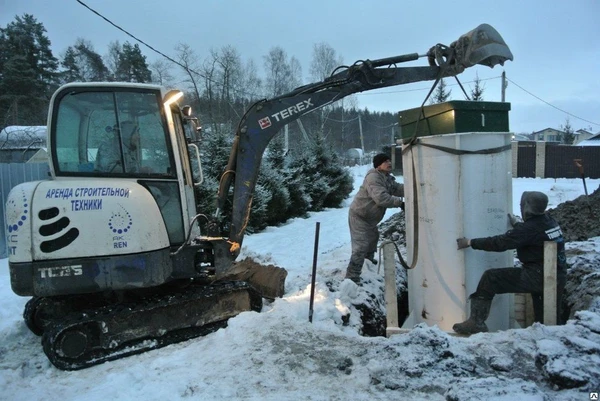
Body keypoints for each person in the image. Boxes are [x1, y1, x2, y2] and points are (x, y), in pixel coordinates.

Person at [453, 191, 567, 334]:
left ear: (526, 206)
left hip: (538, 276)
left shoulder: (528, 230)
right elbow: (532, 231)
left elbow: (500, 243)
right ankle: (553, 339)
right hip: (557, 274)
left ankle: (476, 322)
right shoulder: (549, 220)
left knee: (491, 278)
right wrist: (518, 225)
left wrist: (470, 242)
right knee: (546, 319)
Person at [345, 153, 404, 284]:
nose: (389, 163)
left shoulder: (386, 178)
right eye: (385, 161)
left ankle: (368, 263)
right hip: (360, 216)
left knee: (372, 241)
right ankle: (352, 277)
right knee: (360, 246)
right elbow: (381, 198)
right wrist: (400, 203)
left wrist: (413, 188)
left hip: (370, 218)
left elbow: (397, 188)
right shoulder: (373, 178)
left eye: (389, 160)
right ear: (378, 165)